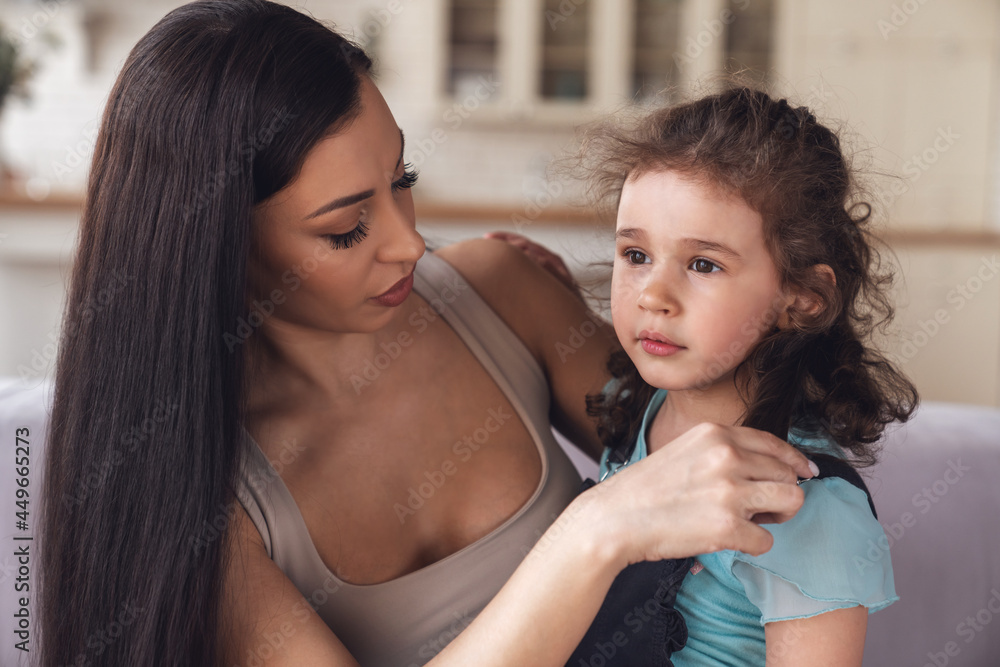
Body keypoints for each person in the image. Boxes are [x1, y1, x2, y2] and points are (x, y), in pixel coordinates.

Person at [38, 4, 819, 666]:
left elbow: (740, 444)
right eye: (347, 229)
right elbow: (632, 507)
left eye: (402, 182)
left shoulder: (498, 292)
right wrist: (594, 530)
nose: (411, 244)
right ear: (219, 250)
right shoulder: (200, 500)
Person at [570, 88, 919, 666]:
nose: (653, 295)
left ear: (802, 298)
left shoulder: (806, 509)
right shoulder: (637, 408)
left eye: (703, 264)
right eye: (635, 255)